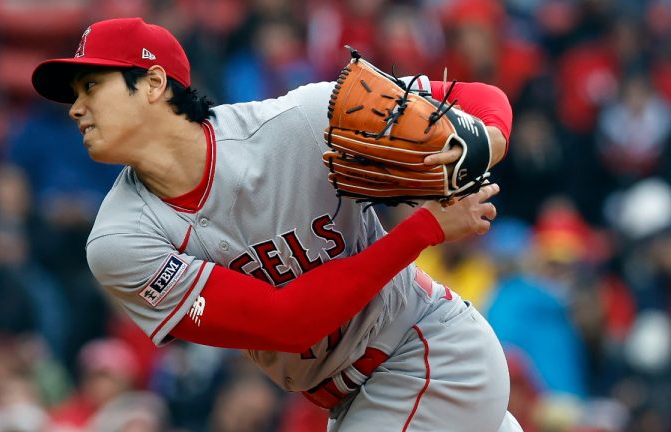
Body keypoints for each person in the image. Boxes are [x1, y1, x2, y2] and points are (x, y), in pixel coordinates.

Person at [31, 17, 520, 431]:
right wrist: (422, 231)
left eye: (92, 85)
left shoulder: (303, 121)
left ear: (154, 84)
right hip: (351, 398)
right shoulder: (121, 242)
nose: (76, 107)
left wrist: (484, 144)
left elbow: (478, 97)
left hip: (426, 349)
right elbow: (287, 324)